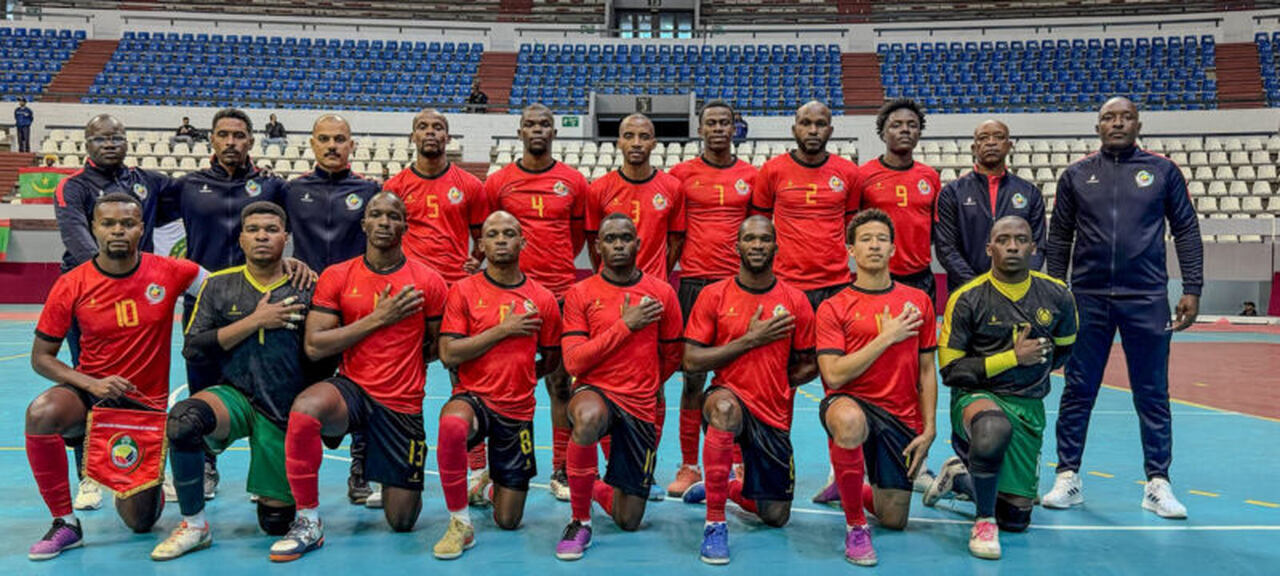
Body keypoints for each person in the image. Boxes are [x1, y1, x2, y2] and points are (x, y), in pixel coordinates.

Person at [1043, 97, 1203, 519]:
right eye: (1109, 117)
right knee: (1078, 389)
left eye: (1126, 117)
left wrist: (1192, 287)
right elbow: (1059, 237)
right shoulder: (1077, 174)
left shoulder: (1164, 171)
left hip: (1147, 296)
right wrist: (1057, 290)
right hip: (1087, 298)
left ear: (1138, 123)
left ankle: (1158, 482)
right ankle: (1068, 475)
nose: (1117, 123)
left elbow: (1186, 229)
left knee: (1152, 392)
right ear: (1097, 126)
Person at [271, 191, 447, 562]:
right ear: (363, 223)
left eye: (393, 216)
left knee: (402, 521)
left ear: (405, 225)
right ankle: (307, 520)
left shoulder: (428, 281)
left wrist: (402, 362)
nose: (384, 222)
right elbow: (316, 345)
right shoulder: (339, 275)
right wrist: (379, 319)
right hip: (352, 390)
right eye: (376, 215)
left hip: (401, 401)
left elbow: (435, 347)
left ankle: (374, 456)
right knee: (305, 408)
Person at [25, 193, 202, 560]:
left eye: (128, 223)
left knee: (141, 522)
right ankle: (65, 523)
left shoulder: (172, 271)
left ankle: (121, 466)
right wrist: (90, 383)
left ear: (143, 228)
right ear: (94, 229)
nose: (118, 231)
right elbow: (41, 359)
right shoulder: (72, 283)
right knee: (42, 412)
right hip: (90, 396)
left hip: (142, 410)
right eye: (108, 224)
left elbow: (231, 286)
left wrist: (286, 267)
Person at [151, 202, 316, 560]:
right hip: (235, 398)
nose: (262, 236)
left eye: (271, 229)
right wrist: (256, 320)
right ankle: (195, 525)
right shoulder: (218, 285)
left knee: (275, 522)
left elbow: (324, 354)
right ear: (241, 238)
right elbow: (194, 349)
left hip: (284, 407)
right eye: (253, 229)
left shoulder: (307, 285)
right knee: (182, 421)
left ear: (285, 238)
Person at [166, 108, 308, 499]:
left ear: (252, 140)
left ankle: (266, 467)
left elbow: (291, 227)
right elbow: (144, 218)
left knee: (267, 382)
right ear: (211, 138)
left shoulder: (272, 185)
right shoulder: (188, 186)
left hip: (264, 294)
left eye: (239, 135)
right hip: (206, 297)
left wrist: (295, 260)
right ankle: (206, 465)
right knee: (202, 377)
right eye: (224, 134)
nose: (231, 142)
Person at [925, 216, 1077, 560]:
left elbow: (1064, 348)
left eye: (1021, 239)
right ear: (989, 247)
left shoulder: (1057, 296)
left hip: (1027, 406)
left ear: (1034, 247)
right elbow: (951, 370)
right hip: (977, 398)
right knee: (992, 429)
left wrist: (1030, 374)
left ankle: (958, 478)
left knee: (1017, 518)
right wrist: (1012, 359)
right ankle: (983, 521)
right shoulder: (967, 298)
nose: (1012, 246)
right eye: (1004, 239)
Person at [679, 216, 816, 564]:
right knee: (723, 410)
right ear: (736, 246)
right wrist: (751, 340)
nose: (757, 245)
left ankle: (725, 487)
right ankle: (715, 523)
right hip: (727, 397)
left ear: (776, 246)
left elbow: (810, 362)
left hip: (772, 410)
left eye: (765, 239)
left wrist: (780, 380)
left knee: (776, 516)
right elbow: (692, 360)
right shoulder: (714, 295)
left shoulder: (795, 300)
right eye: (750, 239)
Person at [432, 211, 562, 559]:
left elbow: (552, 359)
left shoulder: (543, 298)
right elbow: (447, 353)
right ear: (481, 244)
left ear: (523, 241)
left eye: (509, 233)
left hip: (517, 409)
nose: (501, 239)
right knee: (451, 423)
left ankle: (487, 489)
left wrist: (522, 377)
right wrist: (502, 331)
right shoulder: (463, 290)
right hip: (473, 398)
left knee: (508, 521)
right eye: (492, 234)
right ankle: (460, 522)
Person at [555, 213, 682, 561]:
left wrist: (652, 382)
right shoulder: (581, 293)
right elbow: (574, 362)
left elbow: (673, 354)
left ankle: (593, 484)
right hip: (597, 392)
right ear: (598, 247)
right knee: (587, 414)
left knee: (628, 520)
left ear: (639, 244)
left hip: (640, 403)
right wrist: (625, 326)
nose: (618, 245)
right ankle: (579, 520)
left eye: (625, 238)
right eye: (610, 239)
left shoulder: (662, 293)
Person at [815, 209, 937, 566]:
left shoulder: (919, 301)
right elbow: (834, 375)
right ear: (851, 250)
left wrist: (929, 428)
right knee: (850, 420)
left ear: (893, 249)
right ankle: (856, 528)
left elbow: (927, 370)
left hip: (899, 413)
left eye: (881, 239)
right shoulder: (834, 306)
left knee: (894, 519)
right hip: (849, 403)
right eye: (865, 239)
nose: (874, 246)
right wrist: (885, 338)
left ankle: (849, 485)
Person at [484, 103, 590, 501]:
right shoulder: (499, 182)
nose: (538, 130)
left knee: (561, 380)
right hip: (509, 296)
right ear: (520, 131)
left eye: (546, 123)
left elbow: (578, 235)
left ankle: (561, 467)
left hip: (560, 293)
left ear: (554, 132)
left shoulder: (573, 181)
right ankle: (493, 468)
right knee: (504, 380)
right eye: (530, 124)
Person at [284, 113, 381, 503]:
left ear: (352, 145)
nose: (331, 146)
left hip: (358, 302)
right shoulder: (290, 190)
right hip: (306, 303)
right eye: (323, 139)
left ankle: (361, 474)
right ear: (311, 143)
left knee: (365, 386)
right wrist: (285, 263)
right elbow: (267, 233)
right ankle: (287, 476)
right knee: (296, 389)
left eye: (340, 139)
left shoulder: (371, 189)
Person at [664, 99, 758, 497]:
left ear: (735, 128)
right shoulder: (680, 175)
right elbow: (671, 234)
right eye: (711, 122)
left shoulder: (752, 176)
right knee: (692, 376)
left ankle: (735, 460)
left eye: (725, 122)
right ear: (700, 128)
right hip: (694, 283)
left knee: (738, 377)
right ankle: (689, 465)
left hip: (738, 287)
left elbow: (759, 232)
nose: (718, 128)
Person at [750, 100, 862, 312]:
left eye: (820, 124)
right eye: (805, 123)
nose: (813, 130)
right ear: (794, 129)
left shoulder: (849, 172)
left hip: (836, 283)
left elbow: (850, 226)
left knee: (832, 345)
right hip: (786, 282)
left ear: (830, 130)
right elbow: (760, 225)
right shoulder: (771, 170)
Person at [934, 120, 1046, 294]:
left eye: (999, 137)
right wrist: (977, 285)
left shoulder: (1029, 192)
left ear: (1009, 146)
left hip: (1016, 291)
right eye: (983, 138)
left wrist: (1019, 281)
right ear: (974, 148)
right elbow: (946, 248)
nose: (991, 142)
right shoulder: (952, 192)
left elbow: (1037, 245)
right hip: (966, 291)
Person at [384, 108, 487, 286]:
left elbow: (482, 235)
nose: (430, 131)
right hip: (409, 281)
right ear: (413, 137)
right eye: (422, 127)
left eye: (437, 127)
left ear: (448, 138)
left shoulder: (470, 184)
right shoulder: (394, 187)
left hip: (455, 280)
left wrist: (477, 259)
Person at [857, 98, 941, 303]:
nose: (905, 130)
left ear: (919, 133)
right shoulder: (863, 175)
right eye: (896, 125)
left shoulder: (930, 176)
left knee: (920, 334)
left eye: (912, 125)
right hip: (878, 275)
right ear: (883, 134)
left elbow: (933, 228)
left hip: (920, 277)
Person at [586, 113, 685, 283]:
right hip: (610, 286)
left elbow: (676, 241)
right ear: (619, 142)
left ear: (653, 144)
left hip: (654, 286)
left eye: (644, 137)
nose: (636, 143)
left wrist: (659, 278)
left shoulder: (673, 187)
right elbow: (593, 242)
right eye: (629, 136)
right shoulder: (598, 188)